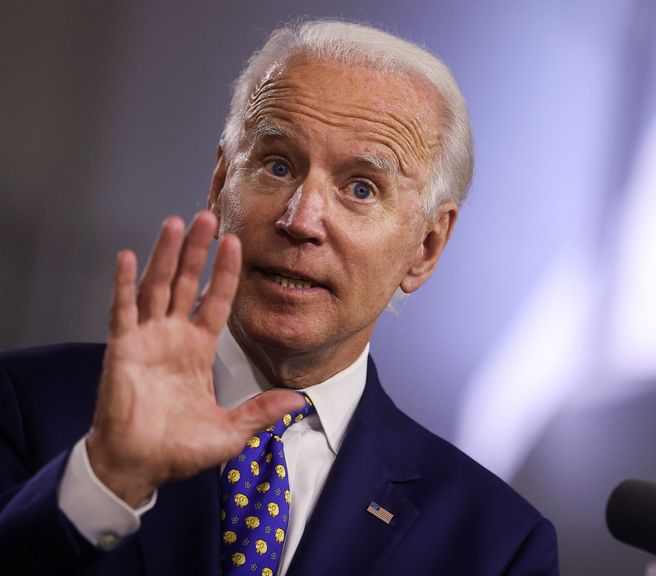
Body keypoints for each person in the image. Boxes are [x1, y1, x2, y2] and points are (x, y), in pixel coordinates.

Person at [0, 19, 558, 576]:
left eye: (360, 188)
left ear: (427, 247)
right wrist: (106, 481)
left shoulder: (497, 544)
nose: (300, 219)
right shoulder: (25, 406)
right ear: (221, 187)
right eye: (278, 165)